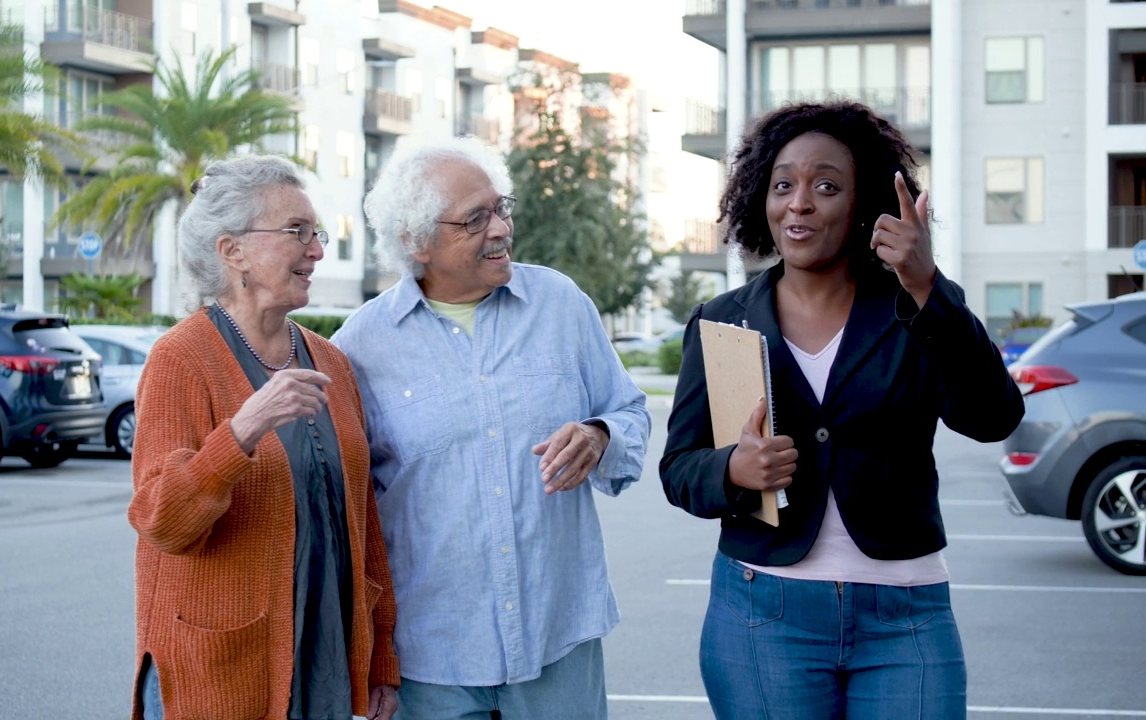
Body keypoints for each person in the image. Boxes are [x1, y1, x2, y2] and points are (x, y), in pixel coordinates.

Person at [659, 101, 1024, 719]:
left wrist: (925, 284)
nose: (799, 202)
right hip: (762, 613)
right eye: (783, 185)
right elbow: (679, 469)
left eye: (825, 186)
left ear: (862, 206)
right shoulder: (723, 321)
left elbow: (992, 418)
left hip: (904, 614)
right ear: (761, 201)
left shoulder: (919, 303)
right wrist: (733, 472)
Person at [331, 137, 650, 720]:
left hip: (559, 638)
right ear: (415, 241)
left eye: (501, 207)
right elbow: (352, 511)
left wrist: (601, 436)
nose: (500, 228)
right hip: (430, 658)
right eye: (474, 219)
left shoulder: (561, 304)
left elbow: (629, 410)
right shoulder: (360, 346)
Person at [127, 154, 400, 720]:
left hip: (320, 663)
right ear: (233, 251)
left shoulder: (330, 361)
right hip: (217, 673)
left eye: (316, 233)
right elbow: (160, 520)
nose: (317, 250)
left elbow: (365, 521)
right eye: (297, 232)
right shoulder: (180, 359)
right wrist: (243, 431)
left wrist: (381, 661)